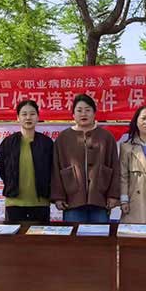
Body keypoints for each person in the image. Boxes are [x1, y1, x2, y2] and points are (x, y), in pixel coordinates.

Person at [51, 94, 120, 223]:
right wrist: (58, 197)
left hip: (100, 200)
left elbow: (115, 167)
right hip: (72, 201)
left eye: (88, 110)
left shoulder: (106, 137)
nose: (84, 114)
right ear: (73, 115)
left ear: (94, 113)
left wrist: (113, 195)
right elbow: (56, 168)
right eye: (79, 110)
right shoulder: (63, 138)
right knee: (74, 235)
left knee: (100, 234)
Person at [0, 100, 53, 222]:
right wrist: (12, 184)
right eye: (24, 114)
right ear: (18, 117)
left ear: (38, 117)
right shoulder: (8, 143)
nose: (28, 117)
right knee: (15, 235)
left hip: (40, 203)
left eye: (32, 114)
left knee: (40, 234)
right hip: (14, 203)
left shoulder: (46, 143)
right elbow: (1, 168)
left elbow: (53, 169)